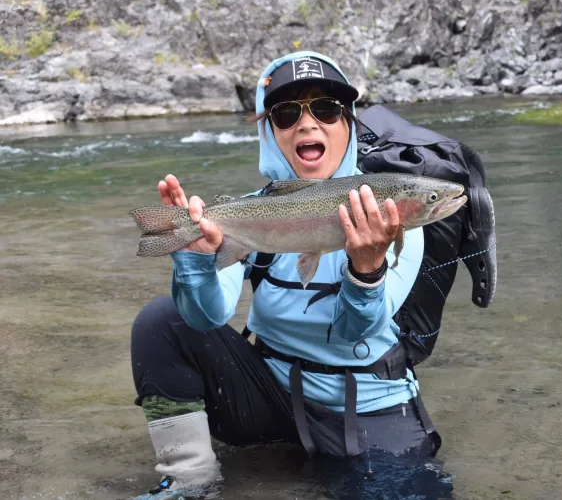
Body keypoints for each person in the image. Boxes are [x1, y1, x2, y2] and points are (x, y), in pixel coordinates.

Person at [129, 51, 451, 499]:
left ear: (349, 123)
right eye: (286, 113)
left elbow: (354, 333)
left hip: (366, 411)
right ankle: (189, 483)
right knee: (161, 321)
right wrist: (194, 257)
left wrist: (366, 270)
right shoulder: (252, 209)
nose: (307, 124)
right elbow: (205, 318)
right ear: (270, 132)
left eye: (326, 109)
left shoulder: (393, 219)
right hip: (273, 398)